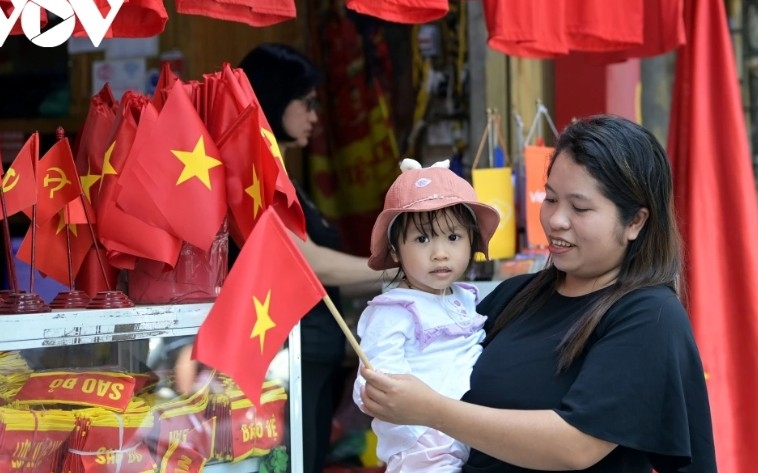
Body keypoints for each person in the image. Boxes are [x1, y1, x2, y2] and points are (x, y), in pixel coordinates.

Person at [359, 115, 717, 472]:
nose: (556, 220)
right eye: (549, 198)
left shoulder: (649, 316)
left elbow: (576, 445)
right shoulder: (515, 296)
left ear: (635, 222)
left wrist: (430, 410)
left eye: (579, 207)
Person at [174, 43, 392, 473]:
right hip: (284, 358)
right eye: (306, 102)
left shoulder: (283, 177)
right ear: (274, 98)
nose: (314, 116)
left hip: (311, 357)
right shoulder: (252, 181)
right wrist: (396, 271)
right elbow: (304, 261)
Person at [353, 158, 500, 472]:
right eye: (422, 239)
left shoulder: (464, 298)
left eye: (453, 237)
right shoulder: (394, 310)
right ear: (394, 250)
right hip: (424, 440)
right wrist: (408, 416)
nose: (440, 253)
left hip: (472, 428)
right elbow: (375, 384)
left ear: (472, 241)